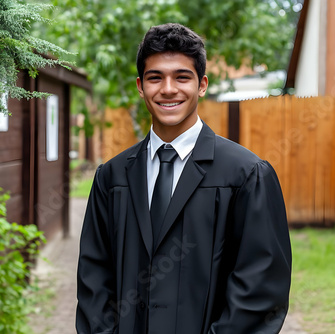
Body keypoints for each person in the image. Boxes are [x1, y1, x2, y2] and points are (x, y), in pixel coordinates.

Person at [76, 23, 291, 334]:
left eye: (181, 76)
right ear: (140, 86)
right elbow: (94, 278)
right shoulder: (112, 178)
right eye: (155, 78)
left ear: (202, 84)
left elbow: (260, 287)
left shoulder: (246, 175)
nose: (168, 89)